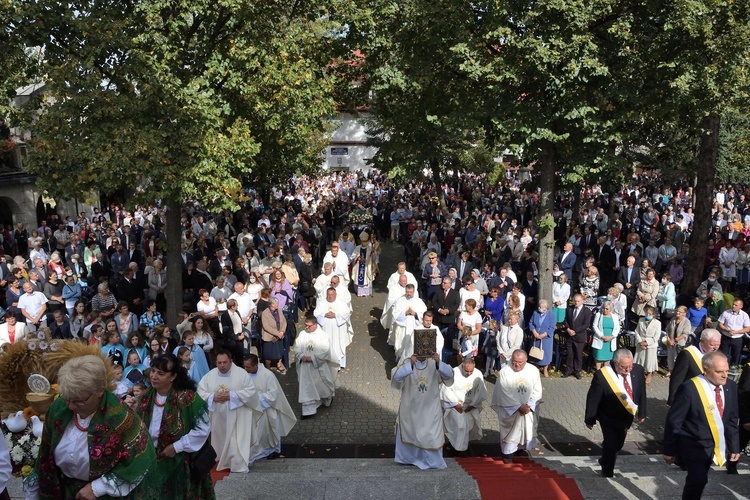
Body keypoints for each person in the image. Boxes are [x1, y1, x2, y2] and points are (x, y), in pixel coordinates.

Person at [25, 355, 157, 498]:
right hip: (62, 491)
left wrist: (98, 487)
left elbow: (142, 459)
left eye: (79, 401)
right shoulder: (59, 409)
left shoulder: (121, 418)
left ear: (100, 391)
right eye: (68, 398)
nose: (70, 406)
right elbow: (45, 450)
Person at [134, 353, 215, 498]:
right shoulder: (145, 398)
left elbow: (203, 429)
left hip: (181, 464)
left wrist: (176, 447)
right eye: (153, 371)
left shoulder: (188, 398)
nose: (154, 376)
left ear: (173, 377)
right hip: (151, 463)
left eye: (161, 373)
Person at [663, 351, 740, 498]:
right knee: (698, 479)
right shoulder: (689, 388)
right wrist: (669, 450)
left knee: (701, 479)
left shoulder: (730, 386)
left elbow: (732, 419)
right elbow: (674, 421)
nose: (725, 375)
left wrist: (734, 446)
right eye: (719, 372)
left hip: (715, 445)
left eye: (726, 370)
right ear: (705, 370)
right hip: (693, 444)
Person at [197, 350, 263, 473]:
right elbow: (200, 392)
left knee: (235, 442)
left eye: (225, 362)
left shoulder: (242, 374)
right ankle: (222, 460)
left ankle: (237, 464)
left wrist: (232, 395)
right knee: (221, 441)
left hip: (237, 416)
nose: (222, 365)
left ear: (231, 361)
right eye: (219, 363)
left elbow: (251, 392)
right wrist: (212, 397)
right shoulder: (209, 376)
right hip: (218, 417)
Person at [584, 348, 647, 478]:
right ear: (616, 363)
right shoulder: (602, 376)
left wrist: (642, 412)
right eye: (624, 367)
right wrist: (590, 419)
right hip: (608, 417)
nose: (628, 370)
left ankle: (605, 459)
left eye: (630, 366)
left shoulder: (638, 370)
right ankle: (607, 473)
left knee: (619, 444)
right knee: (611, 444)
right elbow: (593, 398)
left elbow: (642, 392)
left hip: (627, 417)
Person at [391, 352, 453, 469]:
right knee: (411, 431)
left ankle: (433, 462)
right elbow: (397, 378)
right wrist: (410, 364)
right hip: (411, 407)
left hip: (430, 408)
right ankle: (409, 459)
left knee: (430, 435)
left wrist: (439, 363)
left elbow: (449, 376)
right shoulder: (407, 362)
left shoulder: (434, 363)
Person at [242, 354, 297, 462]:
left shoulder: (268, 375)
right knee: (254, 435)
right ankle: (254, 453)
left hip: (266, 410)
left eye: (248, 367)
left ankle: (272, 450)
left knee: (267, 434)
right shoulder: (244, 375)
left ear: (255, 365)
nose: (245, 369)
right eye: (244, 366)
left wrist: (255, 398)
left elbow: (273, 395)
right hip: (251, 411)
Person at [491, 350, 543, 462]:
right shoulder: (505, 372)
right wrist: (518, 406)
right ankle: (507, 455)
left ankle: (521, 449)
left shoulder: (533, 370)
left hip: (528, 409)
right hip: (511, 410)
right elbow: (503, 392)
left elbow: (537, 389)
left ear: (526, 361)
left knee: (525, 430)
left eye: (520, 362)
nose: (517, 364)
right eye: (515, 361)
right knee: (511, 433)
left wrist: (529, 405)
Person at [440, 358, 487, 452]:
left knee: (469, 425)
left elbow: (481, 391)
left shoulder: (478, 374)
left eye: (471, 371)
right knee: (459, 425)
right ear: (462, 366)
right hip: (456, 405)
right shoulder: (454, 372)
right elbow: (446, 389)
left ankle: (464, 445)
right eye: (466, 371)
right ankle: (458, 448)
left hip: (470, 406)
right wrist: (455, 404)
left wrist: (472, 404)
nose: (469, 374)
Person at [295, 315, 337, 418]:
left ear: (315, 324)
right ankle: (308, 411)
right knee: (306, 388)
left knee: (322, 385)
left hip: (318, 366)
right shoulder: (302, 334)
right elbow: (297, 346)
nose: (307, 328)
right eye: (305, 325)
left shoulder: (323, 335)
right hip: (305, 367)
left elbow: (325, 350)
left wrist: (312, 358)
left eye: (309, 326)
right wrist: (301, 356)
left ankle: (327, 399)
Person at [668, 328, 722, 406]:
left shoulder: (718, 354)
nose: (715, 348)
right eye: (712, 345)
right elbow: (677, 379)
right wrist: (673, 401)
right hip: (690, 397)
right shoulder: (687, 354)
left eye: (718, 344)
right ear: (702, 341)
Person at [313, 288, 352, 369]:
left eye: (332, 295)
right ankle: (325, 364)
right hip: (325, 331)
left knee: (337, 346)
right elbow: (316, 313)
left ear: (335, 294)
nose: (330, 296)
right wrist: (324, 314)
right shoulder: (322, 303)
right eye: (328, 295)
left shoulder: (341, 303)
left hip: (338, 332)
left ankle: (337, 365)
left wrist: (335, 315)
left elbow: (346, 313)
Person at [391, 284, 428, 362]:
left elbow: (424, 313)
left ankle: (414, 360)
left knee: (413, 346)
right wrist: (405, 313)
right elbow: (395, 314)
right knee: (402, 345)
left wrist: (415, 314)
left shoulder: (419, 301)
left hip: (414, 327)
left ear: (414, 291)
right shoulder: (400, 301)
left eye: (410, 292)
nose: (409, 294)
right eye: (407, 292)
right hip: (403, 328)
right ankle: (401, 361)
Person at [563, 294, 592, 378]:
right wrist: (568, 329)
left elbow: (586, 324)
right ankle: (568, 370)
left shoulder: (586, 311)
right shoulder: (569, 309)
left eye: (578, 301)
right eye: (575, 301)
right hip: (569, 335)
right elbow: (566, 320)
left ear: (582, 301)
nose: (576, 302)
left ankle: (577, 371)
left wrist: (575, 331)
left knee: (578, 355)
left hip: (579, 336)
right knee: (570, 354)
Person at [717, 298, 750, 367]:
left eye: (736, 305)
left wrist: (736, 332)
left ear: (741, 306)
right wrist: (727, 330)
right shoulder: (726, 313)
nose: (733, 306)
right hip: (726, 337)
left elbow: (747, 328)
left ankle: (733, 369)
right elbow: (720, 324)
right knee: (723, 355)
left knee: (735, 356)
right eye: (733, 304)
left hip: (737, 338)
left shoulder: (744, 315)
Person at [633, 305, 661, 384]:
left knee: (650, 360)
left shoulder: (658, 323)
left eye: (650, 314)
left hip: (651, 345)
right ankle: (639, 373)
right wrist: (640, 341)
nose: (648, 315)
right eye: (647, 313)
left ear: (653, 315)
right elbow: (637, 331)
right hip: (640, 342)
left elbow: (656, 336)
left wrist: (647, 342)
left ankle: (649, 374)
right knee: (640, 359)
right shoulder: (641, 320)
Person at [260, 297, 288, 374]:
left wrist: (282, 332)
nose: (278, 305)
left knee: (279, 351)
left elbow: (284, 322)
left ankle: (279, 366)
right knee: (268, 354)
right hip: (269, 336)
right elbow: (266, 327)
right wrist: (277, 333)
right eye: (276, 303)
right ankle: (268, 368)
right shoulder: (265, 313)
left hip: (280, 335)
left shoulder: (279, 310)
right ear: (272, 305)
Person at [528, 299, 555, 378]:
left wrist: (544, 334)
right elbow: (531, 323)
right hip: (536, 336)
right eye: (539, 306)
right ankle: (536, 368)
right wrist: (534, 332)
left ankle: (545, 369)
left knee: (545, 354)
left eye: (541, 307)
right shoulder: (535, 312)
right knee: (535, 353)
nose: (539, 307)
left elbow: (552, 327)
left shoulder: (551, 315)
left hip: (545, 338)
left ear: (545, 308)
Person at [591, 300, 621, 371]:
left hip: (610, 340)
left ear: (610, 309)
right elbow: (594, 326)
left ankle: (605, 371)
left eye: (607, 309)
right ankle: (598, 370)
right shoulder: (598, 315)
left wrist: (612, 336)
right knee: (599, 357)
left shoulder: (615, 316)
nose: (605, 310)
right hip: (600, 339)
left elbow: (617, 328)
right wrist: (601, 336)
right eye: (604, 308)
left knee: (607, 358)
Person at [664, 306, 691, 378]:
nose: (677, 313)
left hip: (679, 344)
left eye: (680, 312)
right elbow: (667, 329)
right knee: (670, 358)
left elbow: (685, 334)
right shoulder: (673, 319)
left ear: (684, 313)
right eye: (677, 311)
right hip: (670, 343)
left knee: (677, 359)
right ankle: (670, 371)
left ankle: (677, 374)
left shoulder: (686, 322)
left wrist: (675, 340)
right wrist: (669, 339)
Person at [351, 231, 378, 297]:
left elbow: (375, 258)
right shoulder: (357, 248)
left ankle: (366, 292)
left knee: (366, 279)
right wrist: (357, 258)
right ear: (360, 241)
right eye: (363, 241)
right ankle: (359, 292)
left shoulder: (370, 248)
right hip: (358, 266)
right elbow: (352, 257)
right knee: (359, 278)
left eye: (365, 241)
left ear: (367, 241)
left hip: (367, 267)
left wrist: (373, 253)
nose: (364, 242)